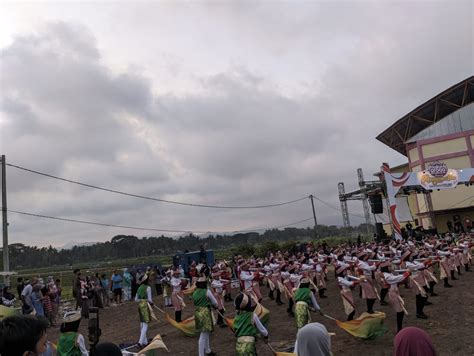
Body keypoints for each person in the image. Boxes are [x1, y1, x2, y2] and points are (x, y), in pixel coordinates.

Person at [192, 268, 218, 356]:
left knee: (205, 332)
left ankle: (208, 350)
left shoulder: (194, 292)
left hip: (197, 312)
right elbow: (215, 302)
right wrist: (214, 306)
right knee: (203, 335)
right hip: (205, 313)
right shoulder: (207, 291)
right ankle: (201, 354)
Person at [135, 274, 154, 347]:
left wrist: (142, 300)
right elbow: (150, 300)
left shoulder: (139, 288)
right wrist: (151, 303)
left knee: (142, 324)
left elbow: (136, 299)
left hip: (140, 306)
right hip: (146, 307)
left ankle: (145, 342)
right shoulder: (148, 288)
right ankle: (140, 342)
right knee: (145, 325)